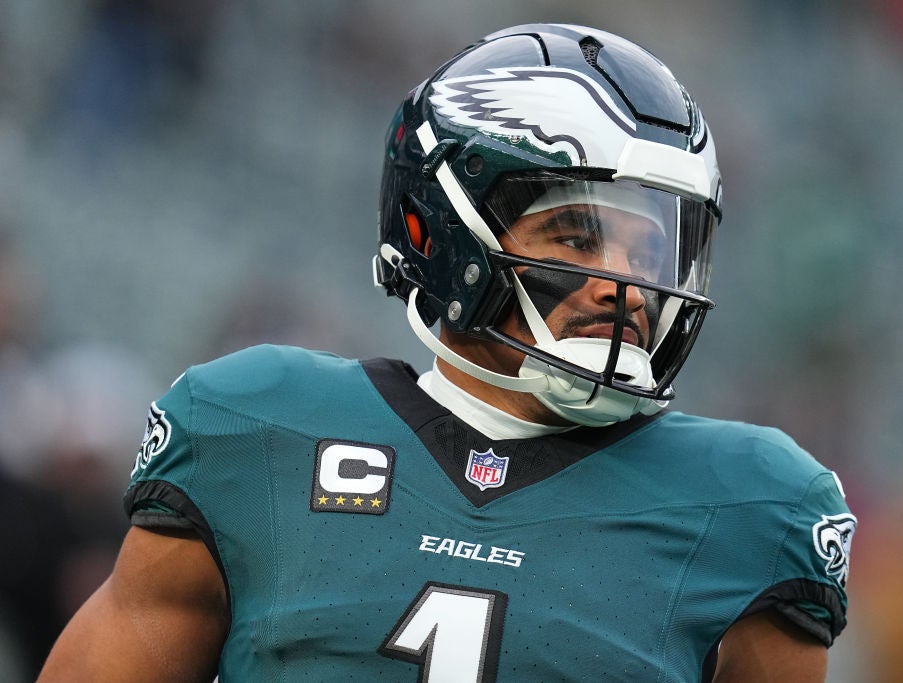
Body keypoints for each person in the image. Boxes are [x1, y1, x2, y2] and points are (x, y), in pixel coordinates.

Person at [39, 23, 856, 682]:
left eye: (649, 252)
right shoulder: (256, 426)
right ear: (444, 228)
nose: (629, 285)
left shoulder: (750, 509)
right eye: (579, 233)